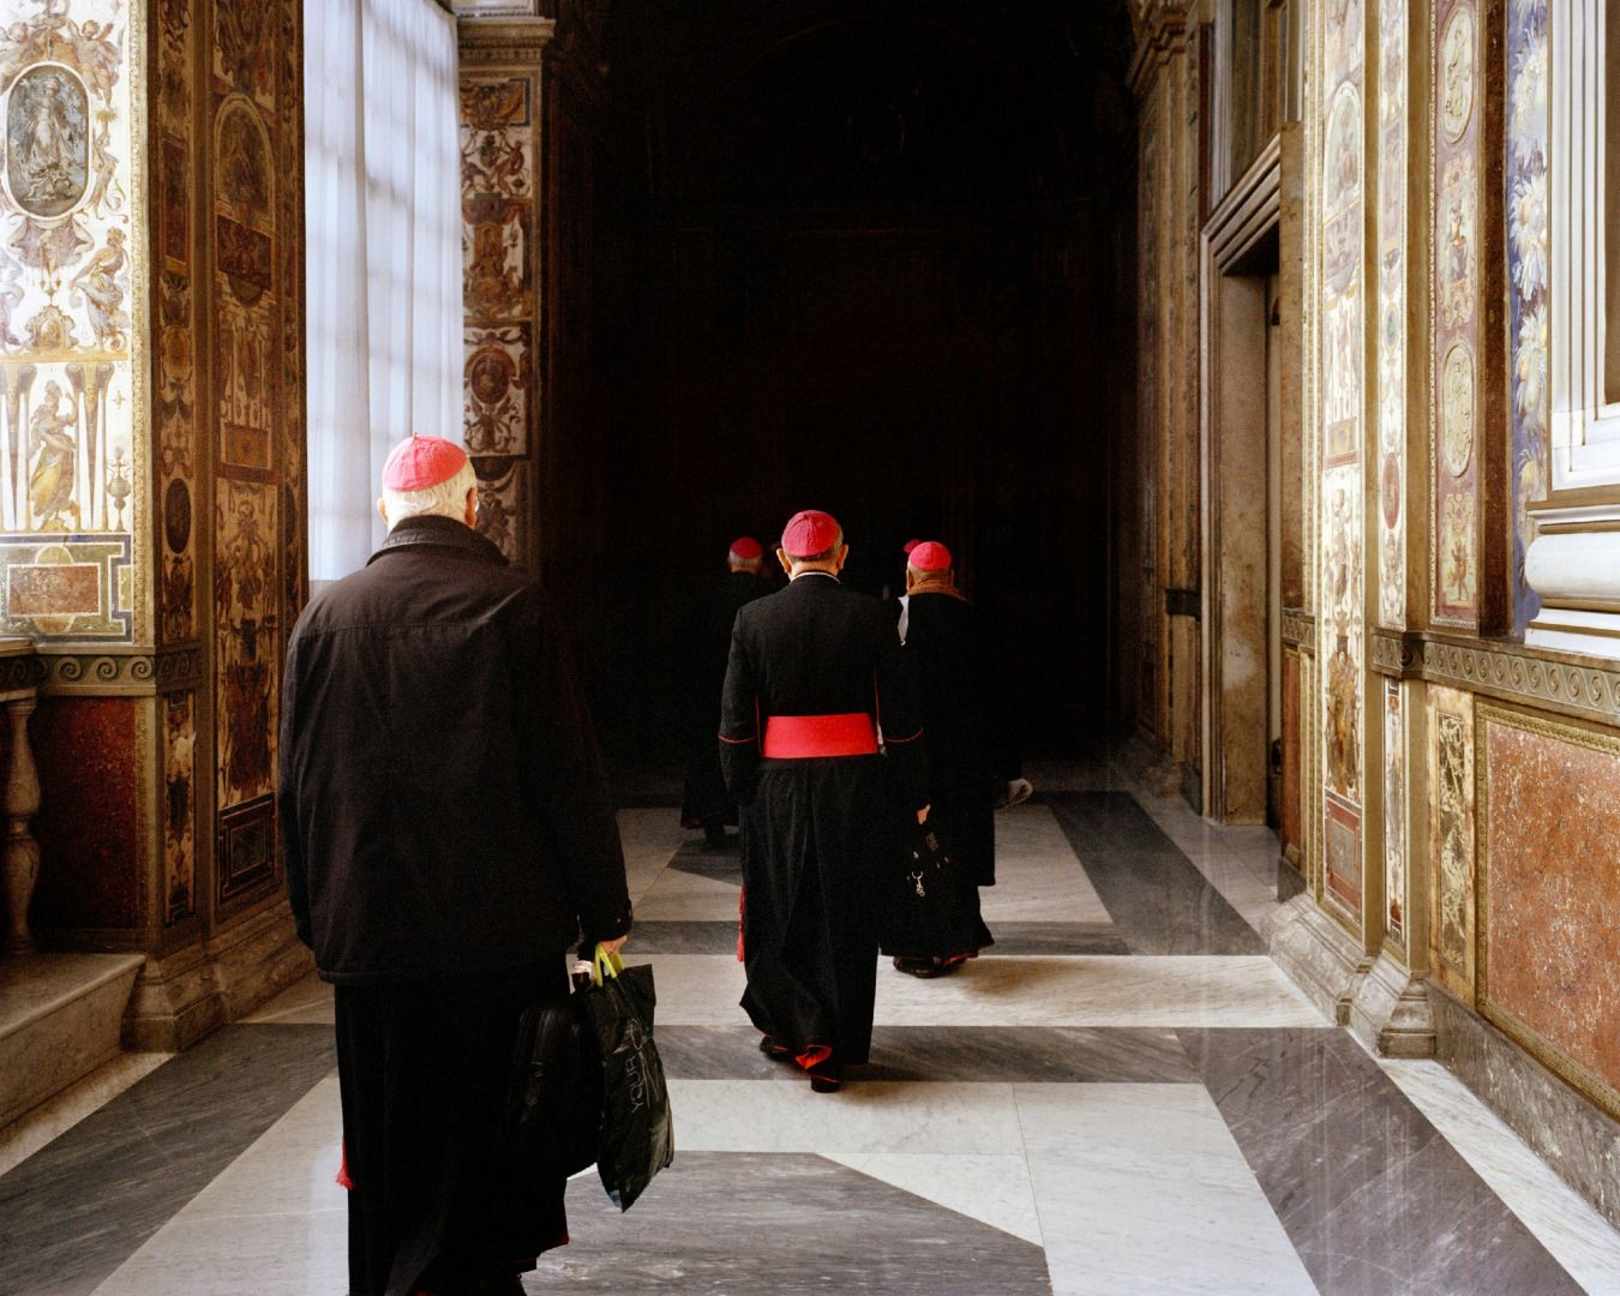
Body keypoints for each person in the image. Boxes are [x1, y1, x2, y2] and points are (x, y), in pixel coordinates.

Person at [279, 435, 632, 1296]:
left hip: (369, 938)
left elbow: (297, 786)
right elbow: (568, 778)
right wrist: (603, 911)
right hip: (497, 938)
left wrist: (313, 916)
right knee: (485, 1133)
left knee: (388, 1135)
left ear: (385, 514)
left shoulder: (323, 619)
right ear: (475, 506)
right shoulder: (515, 608)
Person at [719, 509, 929, 1093]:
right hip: (855, 783)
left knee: (779, 902)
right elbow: (900, 716)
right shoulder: (873, 614)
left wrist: (741, 788)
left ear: (785, 560)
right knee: (846, 905)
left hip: (778, 786)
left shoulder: (753, 618)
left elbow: (737, 720)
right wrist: (914, 791)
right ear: (842, 556)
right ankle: (835, 1043)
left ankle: (794, 1028)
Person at [892, 541, 1016, 977]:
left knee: (916, 850)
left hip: (915, 754)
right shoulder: (978, 618)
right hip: (968, 761)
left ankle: (921, 948)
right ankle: (961, 936)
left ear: (911, 577)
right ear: (951, 576)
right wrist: (1009, 769)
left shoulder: (897, 619)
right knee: (959, 847)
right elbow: (1003, 701)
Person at [681, 537, 767, 847]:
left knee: (709, 757)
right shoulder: (768, 596)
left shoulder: (706, 596)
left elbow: (688, 647)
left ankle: (713, 825)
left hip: (709, 692)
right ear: (758, 564)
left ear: (730, 561)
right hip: (754, 693)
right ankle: (751, 821)